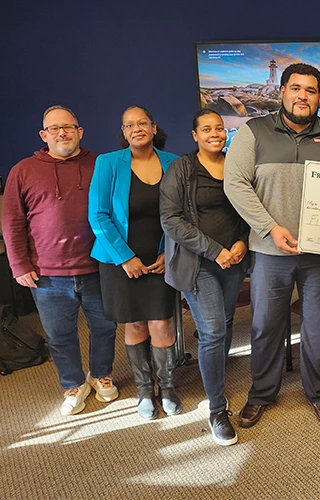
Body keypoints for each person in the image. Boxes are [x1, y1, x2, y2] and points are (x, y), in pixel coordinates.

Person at [224, 63, 320, 428]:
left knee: (319, 328)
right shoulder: (253, 132)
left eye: (311, 90)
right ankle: (261, 393)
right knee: (265, 326)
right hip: (270, 250)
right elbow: (235, 184)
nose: (303, 96)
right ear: (282, 92)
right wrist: (270, 228)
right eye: (296, 88)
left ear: (319, 97)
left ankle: (318, 393)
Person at [2, 105, 118, 416]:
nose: (62, 133)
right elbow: (12, 221)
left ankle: (101, 375)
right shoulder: (23, 170)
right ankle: (73, 385)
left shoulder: (100, 164)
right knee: (59, 335)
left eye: (68, 127)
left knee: (105, 327)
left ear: (80, 131)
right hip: (47, 275)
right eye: (54, 128)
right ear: (44, 135)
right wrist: (19, 264)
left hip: (98, 267)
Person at [161, 109, 250, 445]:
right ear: (195, 135)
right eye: (207, 129)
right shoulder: (181, 169)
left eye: (220, 128)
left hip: (233, 261)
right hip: (198, 263)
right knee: (212, 332)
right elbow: (170, 219)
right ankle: (217, 409)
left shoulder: (236, 165)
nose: (215, 134)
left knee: (224, 322)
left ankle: (215, 374)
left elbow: (249, 207)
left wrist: (242, 241)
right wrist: (215, 251)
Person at [89, 105, 180, 420]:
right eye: (129, 125)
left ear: (154, 127)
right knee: (135, 323)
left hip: (162, 258)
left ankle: (167, 388)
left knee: (162, 322)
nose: (136, 128)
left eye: (142, 123)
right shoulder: (108, 163)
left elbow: (181, 214)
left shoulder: (174, 163)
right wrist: (125, 258)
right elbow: (98, 215)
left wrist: (169, 252)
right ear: (123, 132)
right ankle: (144, 391)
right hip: (120, 261)